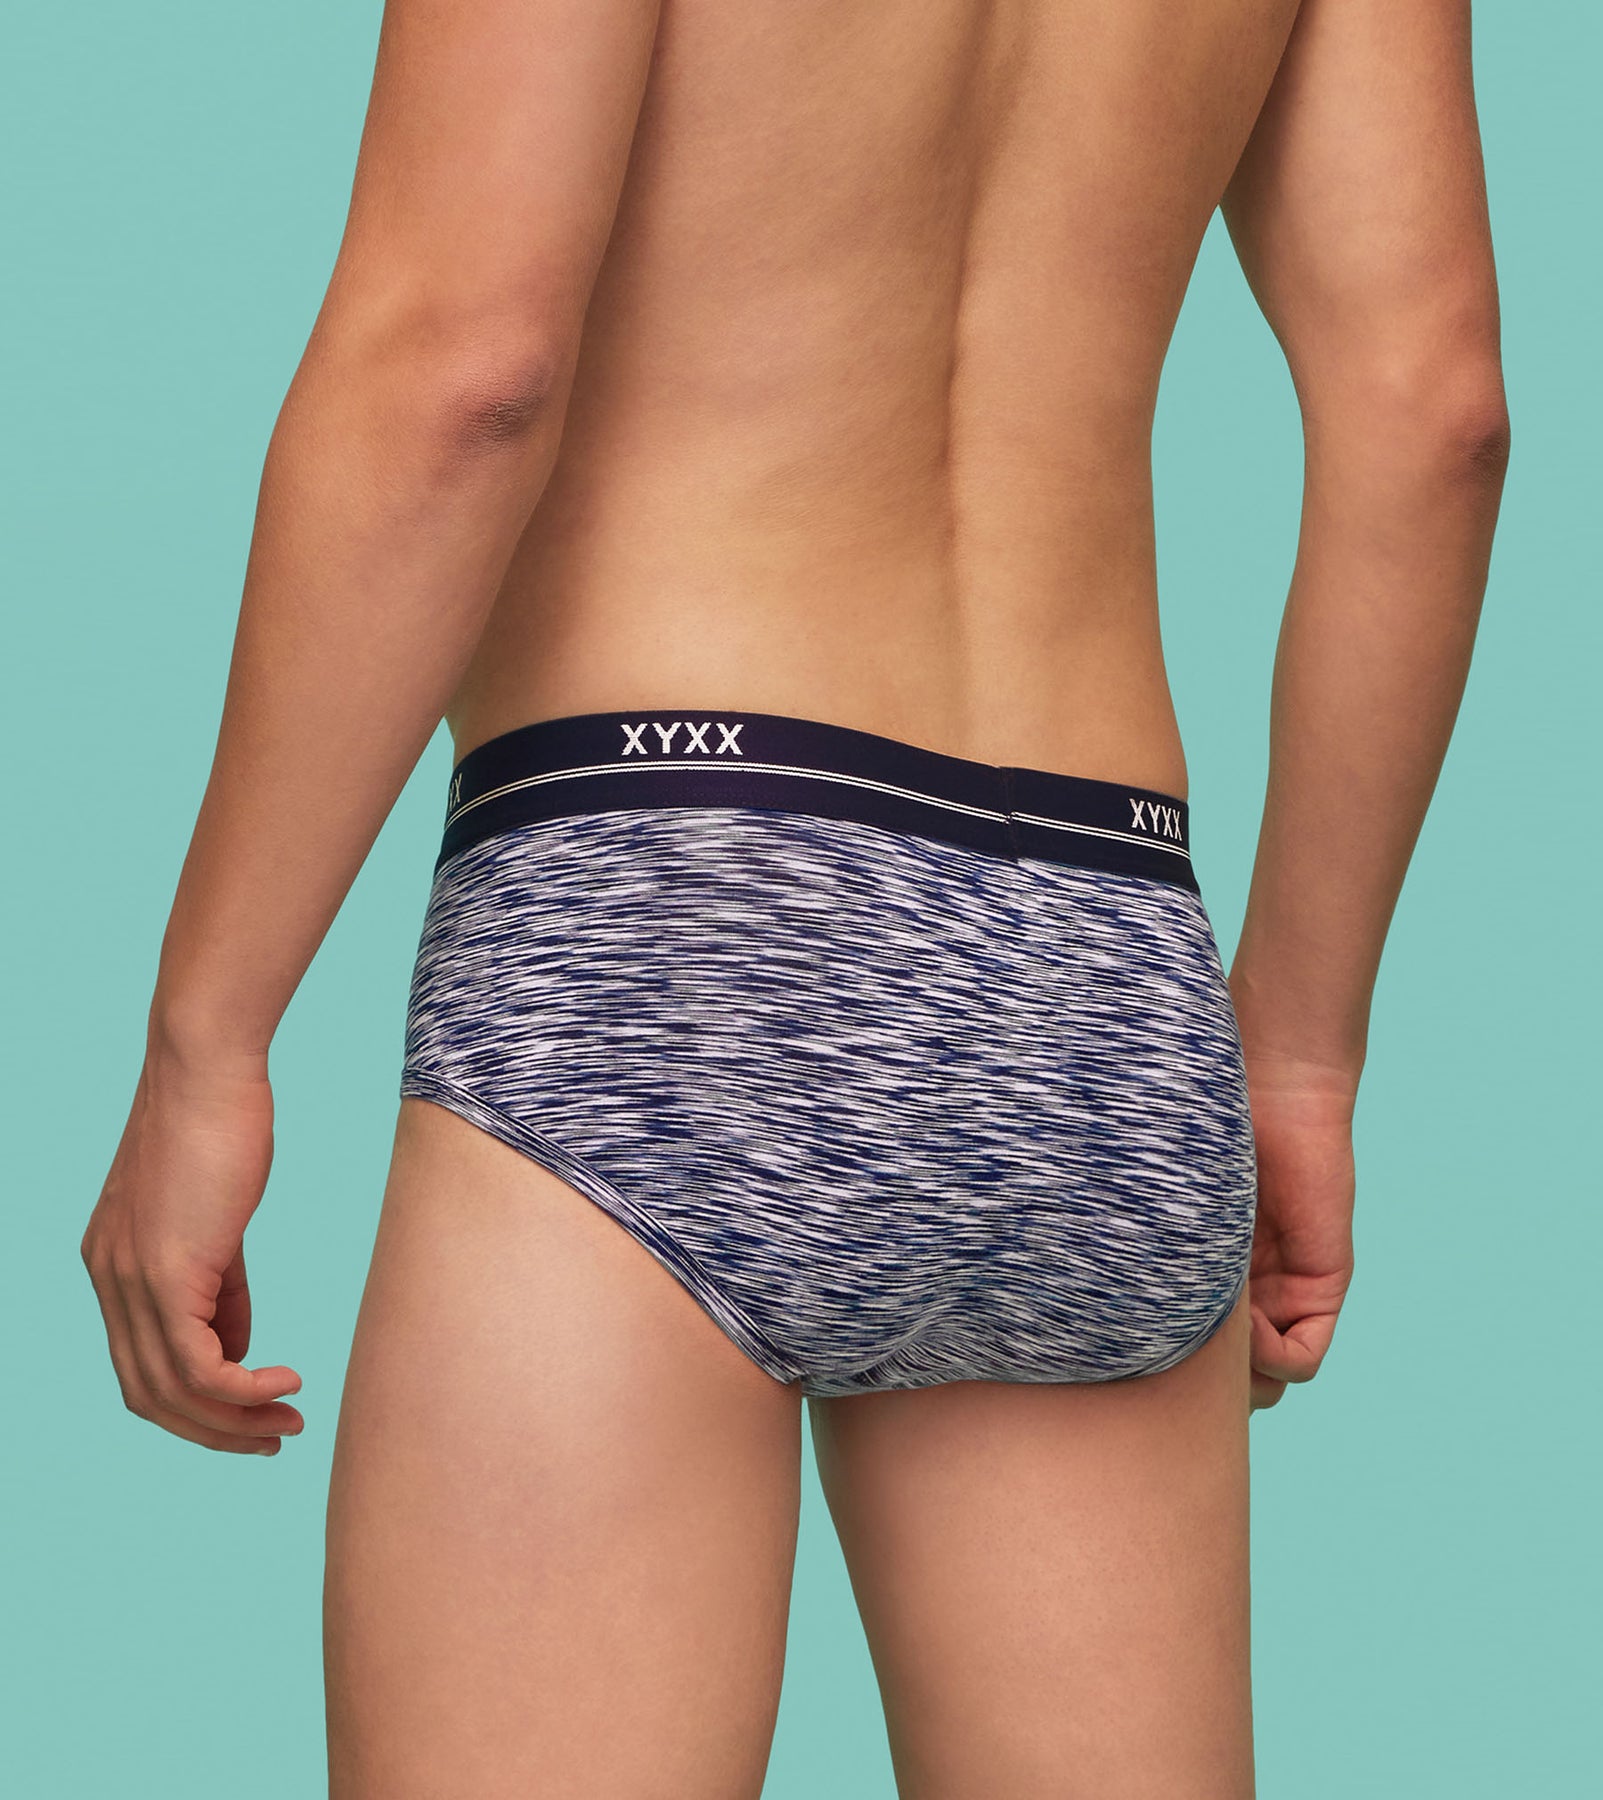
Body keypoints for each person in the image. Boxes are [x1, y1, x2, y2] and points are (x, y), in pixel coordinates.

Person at [79, 0, 1508, 1793]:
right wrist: (1297, 1048)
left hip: (667, 917)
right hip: (1104, 957)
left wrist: (208, 1034)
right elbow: (1435, 410)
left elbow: (465, 369)